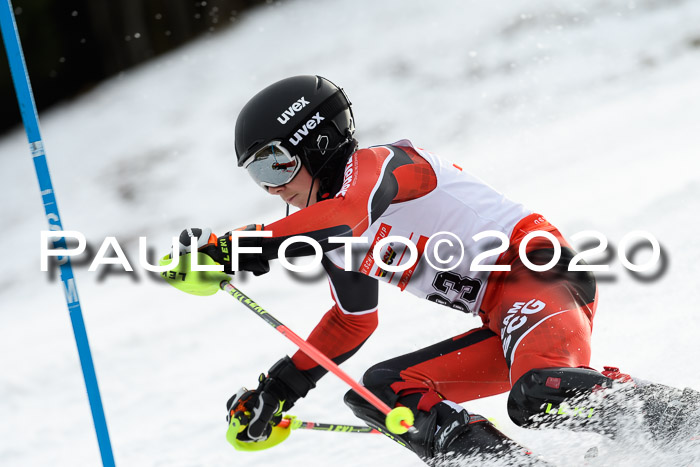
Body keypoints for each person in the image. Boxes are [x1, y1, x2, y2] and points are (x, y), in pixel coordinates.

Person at [163, 75, 699, 465]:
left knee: (538, 395)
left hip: (544, 280)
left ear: (318, 143)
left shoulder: (381, 166)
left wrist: (234, 248)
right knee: (382, 391)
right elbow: (353, 321)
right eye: (257, 173)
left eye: (274, 162)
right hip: (504, 318)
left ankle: (688, 421)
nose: (271, 185)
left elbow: (348, 214)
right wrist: (278, 390)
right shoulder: (329, 229)